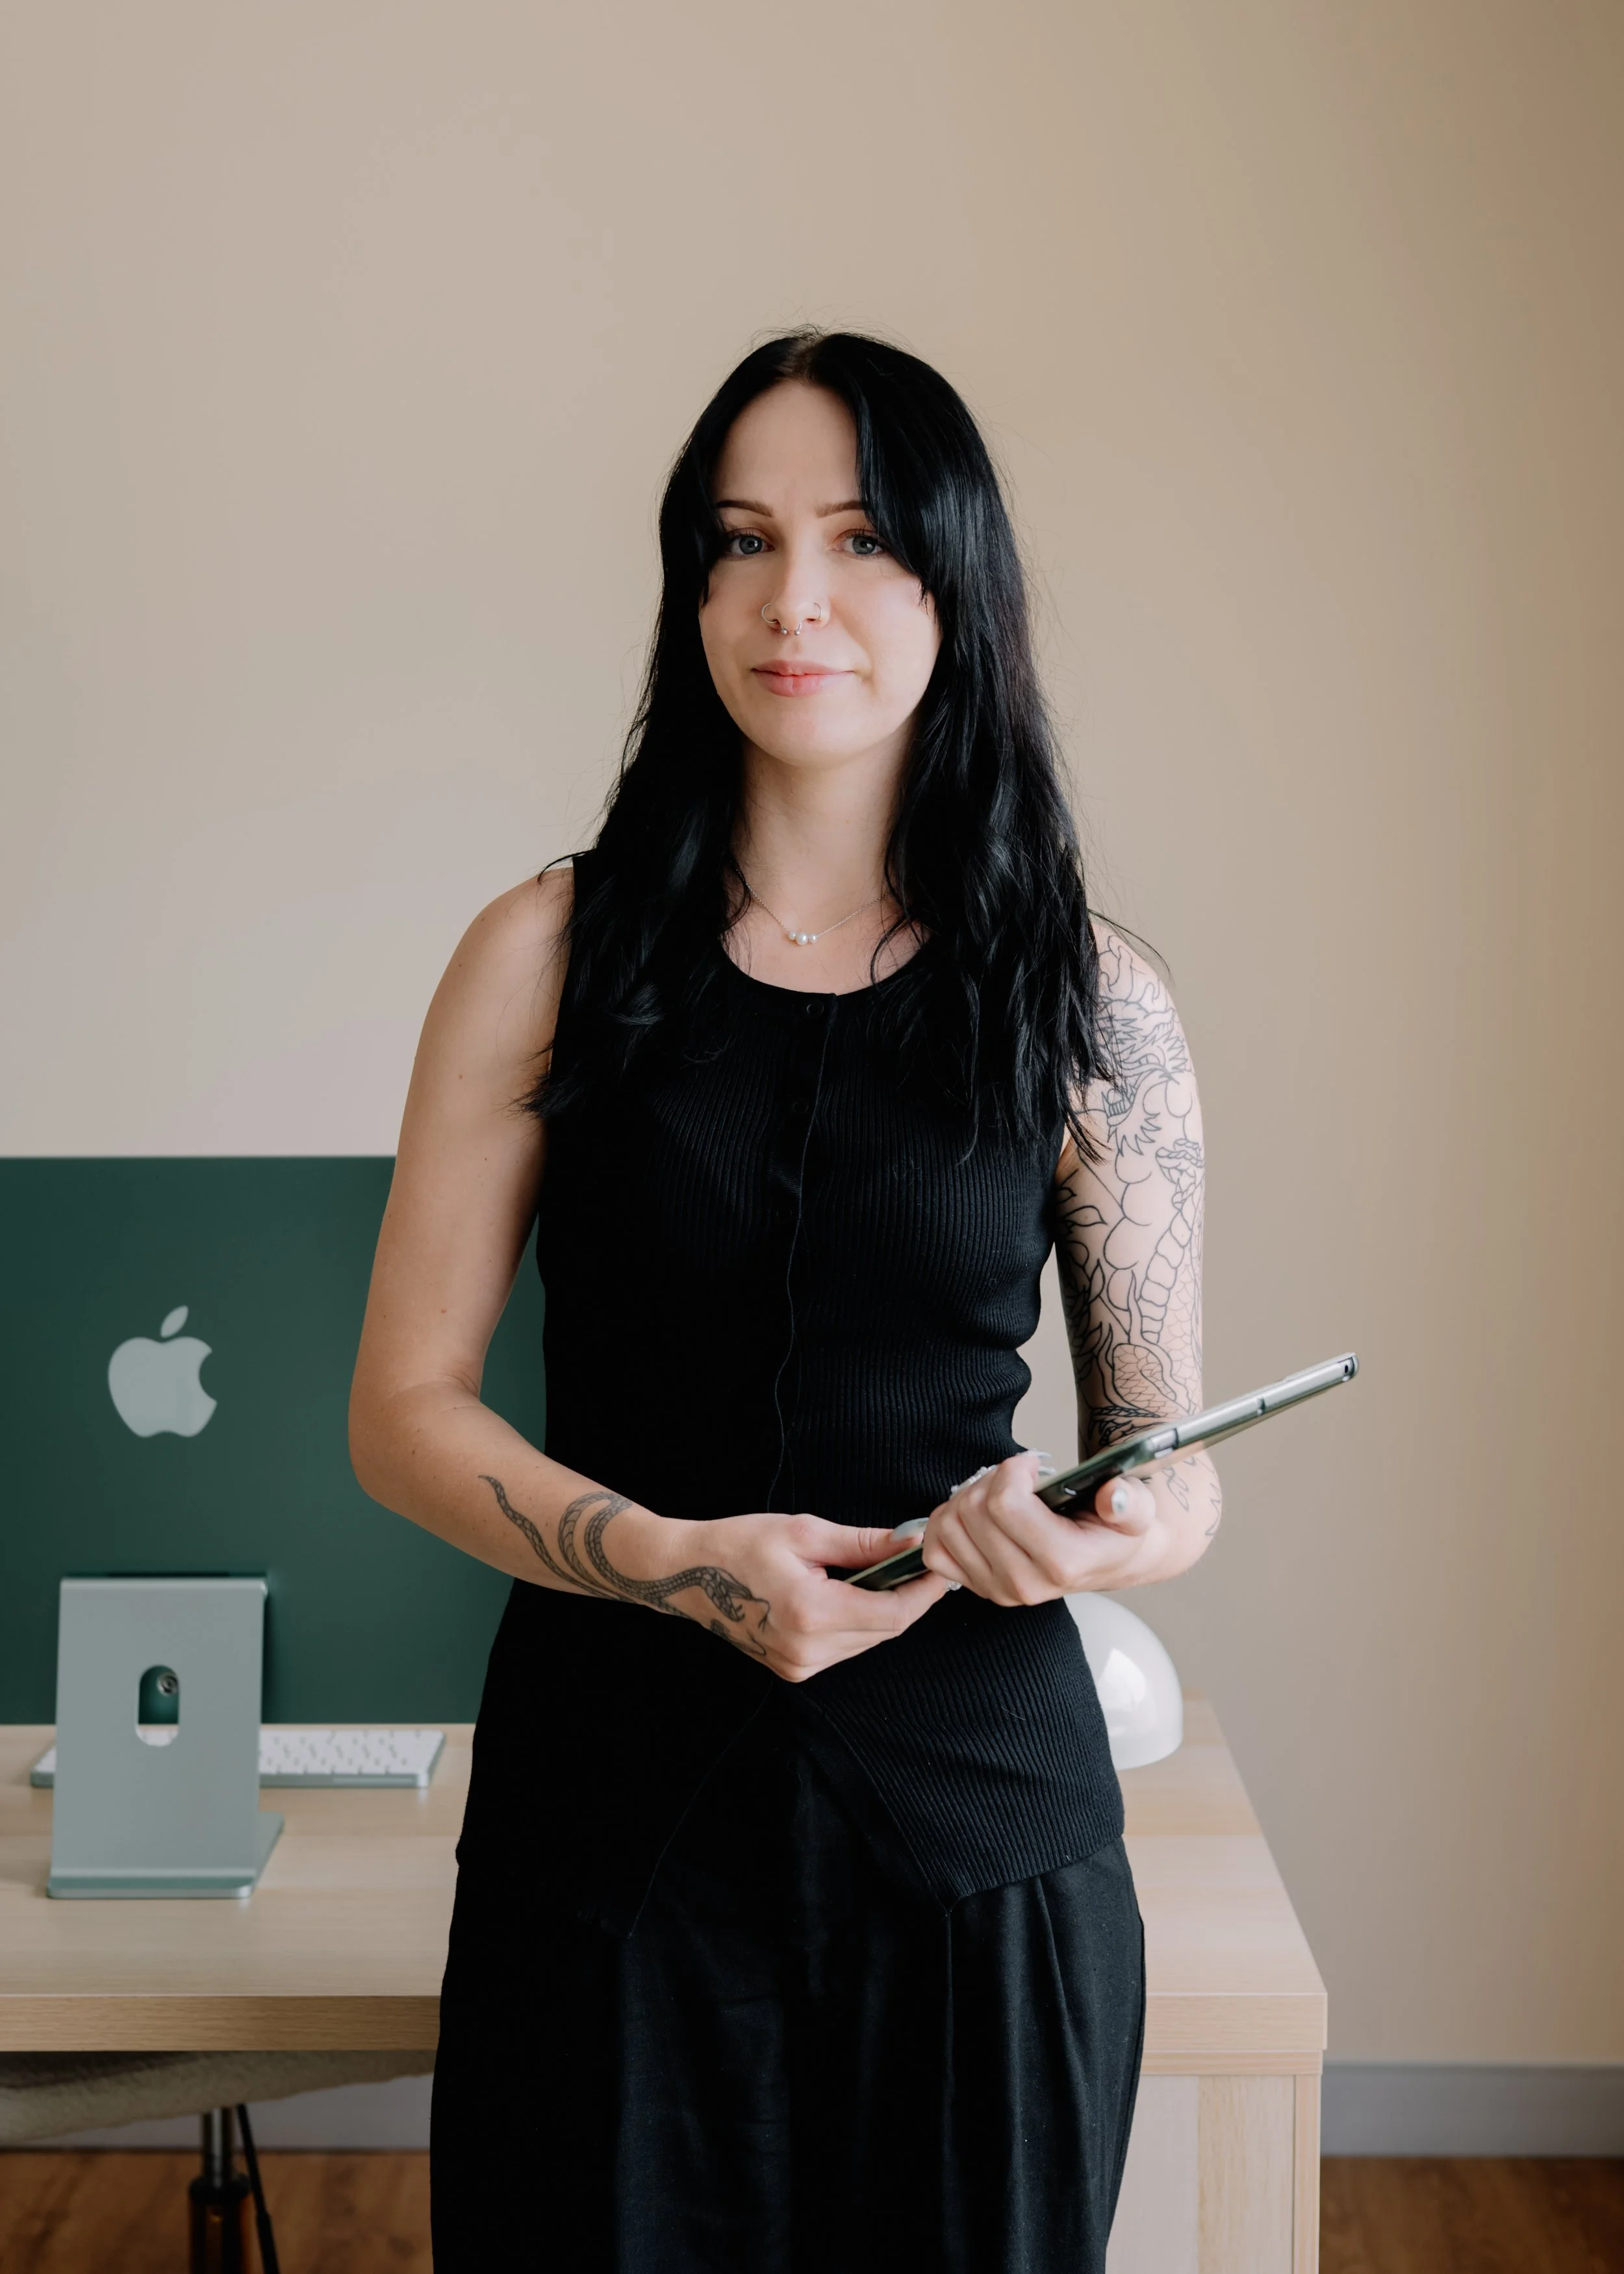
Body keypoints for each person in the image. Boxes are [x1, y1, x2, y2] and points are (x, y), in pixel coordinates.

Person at [349, 329, 1222, 2274]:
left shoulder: (1093, 998)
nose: (791, 600)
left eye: (856, 541)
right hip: (614, 1828)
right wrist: (669, 1556)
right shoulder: (543, 951)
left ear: (954, 582)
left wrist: (1089, 1528)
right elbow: (400, 1405)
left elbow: (1169, 1466)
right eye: (738, 542)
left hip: (979, 1830)